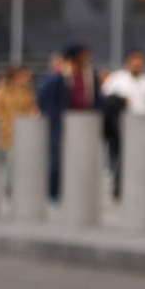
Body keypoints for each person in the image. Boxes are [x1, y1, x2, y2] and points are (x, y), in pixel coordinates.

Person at [36, 42, 99, 202]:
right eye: (83, 55)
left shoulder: (89, 75)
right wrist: (56, 121)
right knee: (57, 160)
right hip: (62, 123)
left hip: (84, 123)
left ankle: (77, 192)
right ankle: (54, 193)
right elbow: (45, 101)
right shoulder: (59, 76)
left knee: (81, 159)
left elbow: (95, 99)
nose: (87, 58)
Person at [101, 49, 145, 198]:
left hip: (142, 127)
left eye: (139, 63)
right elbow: (105, 99)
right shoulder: (117, 79)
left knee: (139, 159)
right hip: (120, 125)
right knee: (118, 156)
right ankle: (117, 185)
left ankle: (136, 187)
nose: (136, 66)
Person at [0, 64, 38, 196]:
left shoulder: (27, 91)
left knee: (22, 159)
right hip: (7, 130)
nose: (28, 78)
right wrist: (4, 126)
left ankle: (21, 186)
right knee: (9, 160)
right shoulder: (2, 89)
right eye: (25, 75)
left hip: (24, 130)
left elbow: (31, 108)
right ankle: (10, 187)